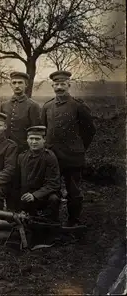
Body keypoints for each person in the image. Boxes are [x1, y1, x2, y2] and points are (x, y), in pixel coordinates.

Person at [42, 70, 96, 226]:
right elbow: (44, 130)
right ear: (52, 86)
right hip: (53, 158)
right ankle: (52, 221)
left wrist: (79, 147)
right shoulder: (47, 107)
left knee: (74, 191)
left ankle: (74, 221)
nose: (59, 87)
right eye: (56, 84)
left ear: (68, 85)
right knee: (52, 190)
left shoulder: (78, 106)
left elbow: (90, 131)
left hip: (73, 157)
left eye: (62, 84)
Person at [16, 126, 61, 221]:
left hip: (44, 196)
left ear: (44, 140)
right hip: (26, 195)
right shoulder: (22, 157)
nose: (34, 142)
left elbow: (53, 183)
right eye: (31, 139)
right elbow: (17, 181)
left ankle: (50, 225)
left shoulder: (50, 157)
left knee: (54, 199)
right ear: (27, 140)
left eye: (37, 139)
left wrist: (35, 195)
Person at [0, 72, 41, 153]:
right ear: (11, 85)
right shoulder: (4, 105)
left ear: (26, 85)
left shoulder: (33, 106)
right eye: (14, 83)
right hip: (6, 147)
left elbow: (35, 131)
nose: (17, 86)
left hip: (24, 148)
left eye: (20, 82)